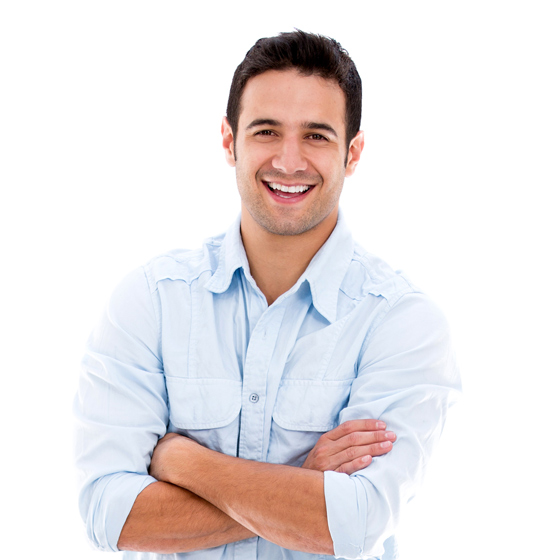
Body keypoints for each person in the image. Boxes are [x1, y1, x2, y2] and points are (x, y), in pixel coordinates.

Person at [74, 30, 461, 560]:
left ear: (352, 153)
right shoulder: (151, 301)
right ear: (229, 141)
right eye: (266, 131)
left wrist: (183, 462)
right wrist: (302, 481)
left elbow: (353, 524)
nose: (289, 161)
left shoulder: (402, 322)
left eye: (316, 136)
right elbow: (110, 515)